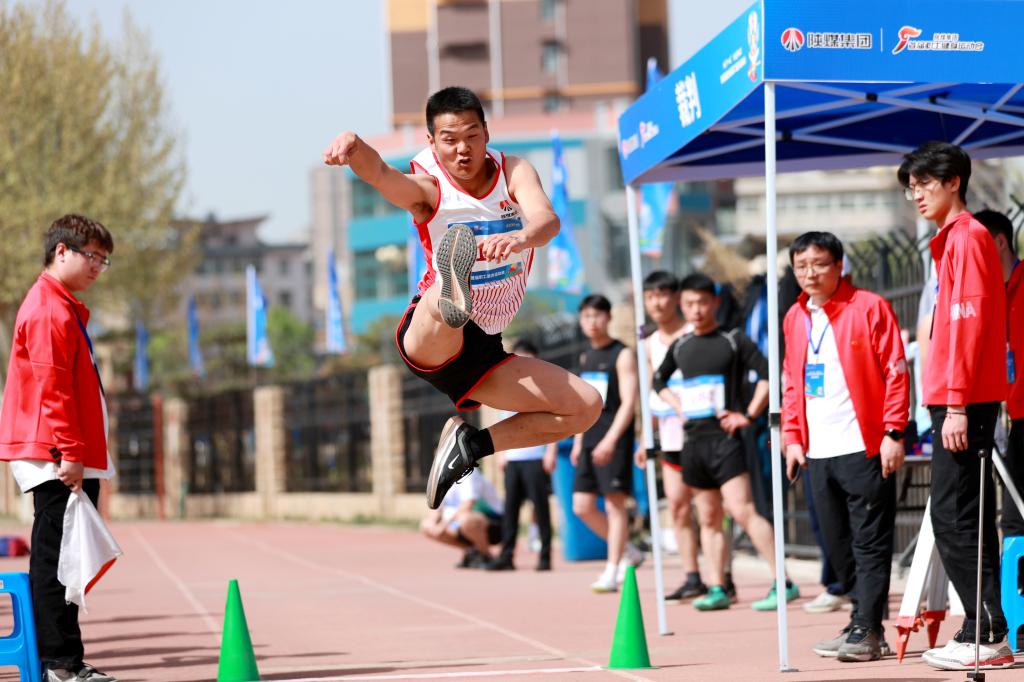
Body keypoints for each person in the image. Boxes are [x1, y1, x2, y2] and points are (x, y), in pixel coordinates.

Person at [323, 87, 600, 511]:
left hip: (484, 351)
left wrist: (522, 236)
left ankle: (471, 445)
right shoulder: (429, 189)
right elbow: (381, 174)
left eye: (471, 136)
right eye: (449, 140)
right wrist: (355, 147)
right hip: (430, 335)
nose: (463, 149)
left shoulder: (514, 172)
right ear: (432, 142)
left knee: (585, 407)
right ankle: (452, 291)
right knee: (443, 302)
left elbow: (547, 218)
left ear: (486, 133)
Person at [897, 141, 1013, 670]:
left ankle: (986, 631)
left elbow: (969, 329)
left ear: (953, 182)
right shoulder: (954, 241)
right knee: (965, 514)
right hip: (956, 396)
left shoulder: (966, 238)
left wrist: (958, 404)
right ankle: (982, 628)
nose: (917, 194)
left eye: (925, 183)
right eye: (912, 187)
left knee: (954, 515)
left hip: (962, 399)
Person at [782, 231, 910, 662]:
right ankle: (860, 621)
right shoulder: (795, 317)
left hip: (864, 444)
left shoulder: (868, 307)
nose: (810, 273)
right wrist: (792, 437)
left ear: (839, 266)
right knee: (837, 544)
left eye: (819, 264)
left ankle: (868, 629)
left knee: (869, 542)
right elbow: (791, 381)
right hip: (818, 450)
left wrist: (893, 431)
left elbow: (896, 371)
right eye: (801, 266)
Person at [0, 215, 117, 682]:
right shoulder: (49, 308)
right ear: (61, 251)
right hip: (55, 454)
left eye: (104, 261)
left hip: (62, 452)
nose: (98, 267)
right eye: (92, 256)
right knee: (55, 562)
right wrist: (70, 451)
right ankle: (60, 665)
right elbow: (54, 389)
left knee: (66, 559)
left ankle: (66, 660)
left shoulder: (61, 306)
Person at [652, 273, 797, 611]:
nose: (696, 310)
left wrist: (747, 414)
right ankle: (717, 587)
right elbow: (659, 380)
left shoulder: (733, 340)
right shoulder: (681, 346)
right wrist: (679, 407)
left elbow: (768, 375)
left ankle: (783, 581)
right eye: (690, 303)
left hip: (726, 441)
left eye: (703, 302)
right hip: (693, 443)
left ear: (715, 303)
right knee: (708, 517)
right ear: (682, 305)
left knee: (742, 511)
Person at [634, 271, 735, 601]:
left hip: (706, 434)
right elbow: (651, 391)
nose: (657, 303)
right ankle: (692, 576)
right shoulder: (649, 344)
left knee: (712, 511)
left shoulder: (696, 332)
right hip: (670, 436)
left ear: (676, 298)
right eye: (650, 297)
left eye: (663, 295)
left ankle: (723, 575)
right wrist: (645, 436)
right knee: (678, 507)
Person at [570, 294, 643, 593]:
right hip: (588, 438)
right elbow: (581, 403)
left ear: (608, 318)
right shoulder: (585, 357)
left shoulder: (622, 354)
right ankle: (629, 550)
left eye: (598, 315)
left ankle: (613, 569)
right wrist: (578, 441)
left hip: (614, 440)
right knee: (581, 506)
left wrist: (611, 440)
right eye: (587, 316)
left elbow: (628, 402)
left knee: (615, 505)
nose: (593, 322)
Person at [973, 210, 1024, 542]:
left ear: (1000, 242)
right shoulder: (993, 295)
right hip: (1015, 418)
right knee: (1014, 518)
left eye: (977, 247)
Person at [489, 339, 556, 572]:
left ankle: (545, 556)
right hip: (513, 460)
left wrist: (551, 452)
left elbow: (554, 423)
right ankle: (506, 556)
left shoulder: (545, 389)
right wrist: (501, 454)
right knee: (511, 510)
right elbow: (503, 423)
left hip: (535, 458)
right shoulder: (507, 390)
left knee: (541, 509)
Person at [420, 466, 504, 568]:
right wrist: (432, 523)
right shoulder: (443, 477)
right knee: (427, 526)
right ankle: (473, 551)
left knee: (466, 520)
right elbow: (437, 508)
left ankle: (486, 555)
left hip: (494, 522)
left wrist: (443, 525)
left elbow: (467, 506)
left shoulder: (469, 473)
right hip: (461, 525)